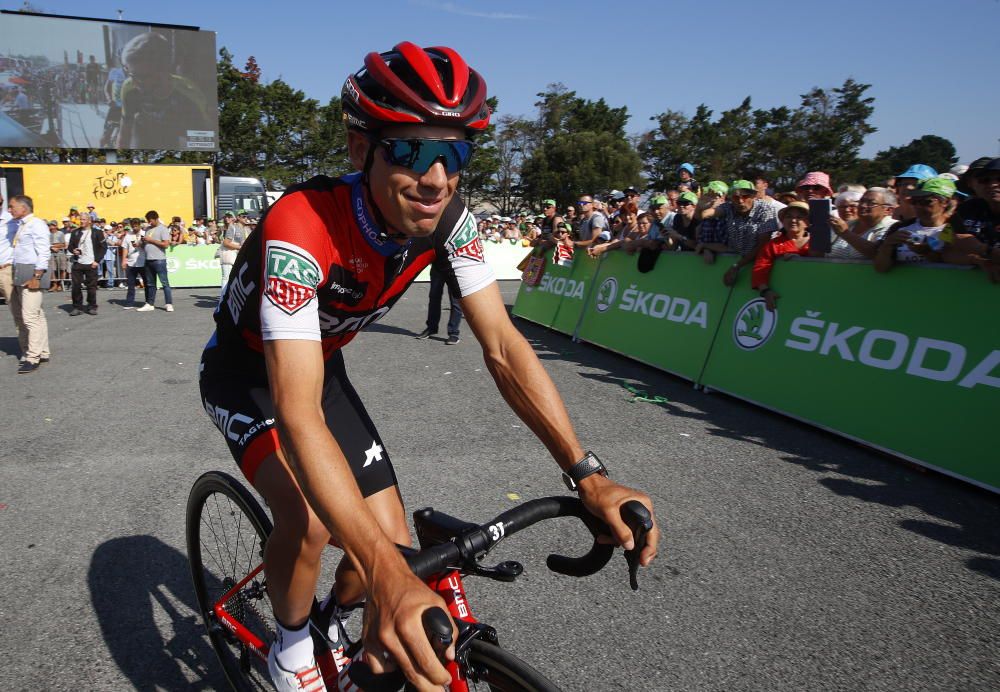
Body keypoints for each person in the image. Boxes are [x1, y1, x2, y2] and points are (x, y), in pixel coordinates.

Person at [198, 42, 658, 692]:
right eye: (412, 151)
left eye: (456, 153)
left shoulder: (452, 223)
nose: (437, 176)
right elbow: (294, 411)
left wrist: (588, 474)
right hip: (245, 374)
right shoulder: (302, 227)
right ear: (361, 150)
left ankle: (335, 616)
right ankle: (291, 645)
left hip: (320, 369)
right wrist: (384, 573)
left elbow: (501, 346)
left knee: (391, 548)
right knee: (313, 523)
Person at [117, 32, 212, 149]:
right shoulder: (129, 87)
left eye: (142, 77)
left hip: (178, 139)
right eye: (131, 74)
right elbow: (124, 134)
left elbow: (206, 143)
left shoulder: (190, 96)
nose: (135, 82)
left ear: (163, 70)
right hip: (144, 135)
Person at [699, 180, 780, 284]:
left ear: (753, 196)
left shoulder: (765, 209)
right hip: (740, 260)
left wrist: (736, 266)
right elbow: (706, 214)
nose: (741, 201)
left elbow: (762, 245)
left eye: (745, 196)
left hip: (764, 266)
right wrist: (702, 205)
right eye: (736, 197)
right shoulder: (729, 207)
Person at [7, 195, 51, 373]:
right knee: (37, 315)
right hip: (21, 271)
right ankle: (43, 351)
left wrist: (37, 275)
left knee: (30, 317)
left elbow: (43, 251)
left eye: (12, 207)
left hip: (32, 272)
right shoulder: (20, 225)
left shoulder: (36, 224)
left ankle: (32, 357)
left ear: (24, 208)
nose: (10, 210)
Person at [875, 177, 957, 272]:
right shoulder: (899, 227)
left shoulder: (955, 229)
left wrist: (928, 253)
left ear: (945, 202)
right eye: (914, 201)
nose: (918, 206)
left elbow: (959, 265)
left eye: (926, 201)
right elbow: (880, 268)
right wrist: (887, 245)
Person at [752, 201, 812, 312]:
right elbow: (760, 268)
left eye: (799, 217)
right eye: (789, 216)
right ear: (783, 221)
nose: (793, 220)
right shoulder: (772, 245)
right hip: (785, 300)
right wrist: (765, 291)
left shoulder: (817, 243)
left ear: (807, 222)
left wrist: (801, 260)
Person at [827, 188, 897, 260]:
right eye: (861, 201)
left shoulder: (893, 227)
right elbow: (821, 253)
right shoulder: (847, 225)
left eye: (871, 203)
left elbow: (879, 255)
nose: (863, 205)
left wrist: (845, 233)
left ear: (888, 210)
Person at [415, 261, 464, 345]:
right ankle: (431, 328)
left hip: (455, 268)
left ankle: (453, 333)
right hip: (437, 267)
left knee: (455, 302)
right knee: (434, 298)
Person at [67, 213, 104, 316]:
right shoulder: (75, 232)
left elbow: (103, 247)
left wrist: (97, 261)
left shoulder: (97, 232)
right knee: (76, 286)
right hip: (78, 262)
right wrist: (73, 250)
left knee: (91, 287)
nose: (81, 221)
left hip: (91, 263)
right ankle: (77, 307)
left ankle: (92, 306)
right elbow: (70, 246)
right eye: (81, 220)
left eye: (84, 219)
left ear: (89, 221)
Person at [136, 210, 173, 312]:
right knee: (150, 284)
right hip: (148, 260)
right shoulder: (147, 229)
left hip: (159, 259)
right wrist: (142, 242)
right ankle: (150, 303)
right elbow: (147, 243)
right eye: (148, 221)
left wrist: (151, 240)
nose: (149, 223)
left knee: (164, 283)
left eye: (151, 220)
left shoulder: (163, 229)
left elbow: (166, 244)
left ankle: (168, 303)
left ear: (156, 219)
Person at [219, 210, 248, 293]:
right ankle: (224, 296)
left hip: (239, 257)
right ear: (238, 217)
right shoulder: (233, 227)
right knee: (226, 277)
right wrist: (240, 247)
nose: (246, 218)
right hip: (229, 255)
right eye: (243, 216)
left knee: (237, 278)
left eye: (246, 216)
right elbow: (226, 243)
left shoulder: (246, 229)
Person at [121, 218, 146, 308]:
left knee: (147, 283)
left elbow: (148, 247)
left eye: (136, 226)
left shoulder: (144, 234)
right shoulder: (128, 235)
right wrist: (124, 260)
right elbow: (125, 248)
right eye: (133, 226)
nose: (134, 228)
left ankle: (148, 302)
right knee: (130, 284)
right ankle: (129, 302)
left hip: (143, 262)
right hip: (131, 263)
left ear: (139, 225)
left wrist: (141, 244)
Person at [47, 220, 67, 292]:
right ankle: (55, 284)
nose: (51, 227)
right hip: (51, 254)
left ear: (56, 226)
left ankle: (60, 284)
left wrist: (53, 246)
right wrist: (52, 247)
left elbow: (63, 244)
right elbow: (45, 244)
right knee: (52, 269)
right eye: (50, 225)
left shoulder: (60, 233)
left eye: (53, 225)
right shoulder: (47, 234)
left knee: (62, 269)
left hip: (61, 253)